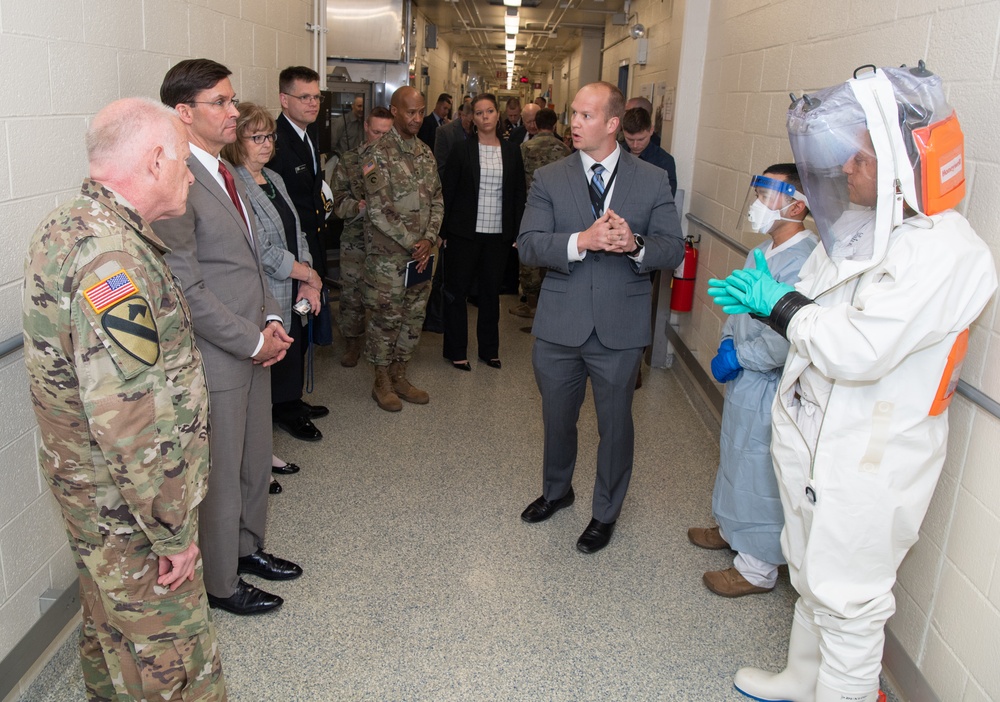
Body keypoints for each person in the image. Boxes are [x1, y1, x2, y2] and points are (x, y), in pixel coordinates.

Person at [709, 65, 996, 702]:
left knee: (850, 602)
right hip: (819, 443)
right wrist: (764, 302)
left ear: (899, 163)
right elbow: (810, 298)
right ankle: (800, 679)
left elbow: (857, 348)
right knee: (813, 575)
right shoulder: (865, 234)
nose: (845, 171)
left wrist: (779, 307)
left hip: (869, 460)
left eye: (859, 158)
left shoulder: (949, 253)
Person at [23, 97, 226, 700]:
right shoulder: (112, 260)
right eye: (184, 163)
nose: (191, 175)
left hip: (99, 503)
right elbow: (129, 420)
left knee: (113, 639)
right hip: (131, 512)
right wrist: (171, 532)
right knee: (176, 665)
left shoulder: (69, 225)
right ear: (156, 160)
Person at [155, 58, 302, 617]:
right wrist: (250, 339)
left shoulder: (228, 171)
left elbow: (255, 260)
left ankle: (246, 549)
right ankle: (220, 583)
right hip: (218, 354)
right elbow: (187, 289)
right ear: (184, 113)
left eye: (232, 99)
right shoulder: (178, 183)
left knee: (252, 458)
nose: (233, 111)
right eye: (220, 102)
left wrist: (270, 321)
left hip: (254, 341)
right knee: (219, 473)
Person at [517, 81, 684, 553]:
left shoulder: (651, 180)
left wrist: (636, 245)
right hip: (559, 324)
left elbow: (672, 250)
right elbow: (529, 243)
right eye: (573, 113)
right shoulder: (551, 177)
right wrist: (581, 241)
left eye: (586, 115)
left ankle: (605, 512)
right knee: (556, 418)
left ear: (612, 124)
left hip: (620, 325)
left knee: (615, 426)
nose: (574, 122)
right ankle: (557, 491)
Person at [689, 164, 816, 598]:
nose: (758, 204)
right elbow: (737, 305)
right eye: (757, 192)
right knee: (735, 457)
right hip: (746, 378)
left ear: (797, 204)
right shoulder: (764, 250)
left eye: (768, 195)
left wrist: (740, 356)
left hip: (770, 385)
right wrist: (727, 342)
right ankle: (731, 529)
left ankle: (757, 568)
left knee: (760, 468)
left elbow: (787, 337)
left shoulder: (805, 262)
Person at [224, 102, 325, 444]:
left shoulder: (274, 177)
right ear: (238, 141)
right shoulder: (234, 184)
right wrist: (307, 276)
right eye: (257, 137)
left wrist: (306, 273)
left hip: (293, 280)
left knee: (293, 348)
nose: (266, 144)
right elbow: (262, 248)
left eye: (269, 136)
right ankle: (282, 411)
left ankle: (291, 402)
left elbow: (296, 231)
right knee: (276, 354)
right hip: (267, 287)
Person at [361, 86, 443, 411]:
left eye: (422, 111)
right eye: (411, 111)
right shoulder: (376, 155)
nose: (417, 118)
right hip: (389, 260)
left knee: (413, 316)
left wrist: (430, 239)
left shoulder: (425, 153)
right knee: (386, 319)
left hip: (421, 258)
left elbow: (437, 199)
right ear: (394, 111)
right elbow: (379, 210)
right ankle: (381, 381)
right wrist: (413, 242)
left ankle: (400, 375)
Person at [440, 93, 527, 371]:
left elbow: (517, 194)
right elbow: (448, 192)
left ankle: (489, 351)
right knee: (457, 291)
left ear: (497, 114)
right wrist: (441, 231)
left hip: (497, 235)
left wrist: (517, 232)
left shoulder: (512, 150)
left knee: (491, 294)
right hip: (463, 233)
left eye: (489, 111)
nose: (485, 117)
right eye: (479, 113)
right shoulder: (461, 150)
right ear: (472, 118)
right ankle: (456, 350)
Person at [267, 66, 335, 361]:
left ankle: (294, 400)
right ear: (284, 99)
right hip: (289, 253)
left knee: (305, 322)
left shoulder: (308, 136)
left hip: (311, 246)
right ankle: (286, 405)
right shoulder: (275, 141)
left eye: (316, 97)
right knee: (290, 326)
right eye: (304, 96)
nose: (313, 104)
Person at [331, 105, 394, 367]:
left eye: (387, 133)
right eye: (376, 132)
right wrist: (356, 207)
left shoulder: (398, 163)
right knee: (352, 293)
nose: (381, 138)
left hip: (388, 242)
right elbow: (335, 202)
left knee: (386, 296)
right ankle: (352, 341)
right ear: (366, 128)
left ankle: (383, 346)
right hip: (357, 237)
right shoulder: (349, 160)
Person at [509, 107, 570, 319]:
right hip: (558, 210)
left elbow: (516, 180)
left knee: (529, 253)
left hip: (531, 207)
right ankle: (549, 300)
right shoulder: (565, 150)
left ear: (536, 122)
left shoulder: (525, 148)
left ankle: (531, 303)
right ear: (554, 125)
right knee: (552, 251)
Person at [621, 107, 677, 197]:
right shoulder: (615, 154)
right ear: (623, 131)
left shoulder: (664, 161)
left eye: (641, 139)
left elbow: (666, 200)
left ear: (651, 130)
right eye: (630, 139)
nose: (635, 145)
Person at [434, 101, 474, 182]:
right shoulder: (445, 132)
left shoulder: (477, 131)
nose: (471, 125)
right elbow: (441, 166)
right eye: (470, 122)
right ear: (463, 115)